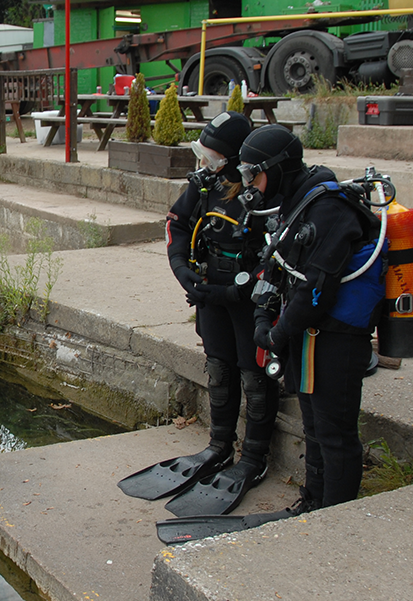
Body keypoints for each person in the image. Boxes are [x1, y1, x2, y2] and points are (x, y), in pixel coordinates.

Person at [117, 112, 280, 518]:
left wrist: (244, 288)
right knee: (219, 369)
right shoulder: (203, 185)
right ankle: (219, 445)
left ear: (232, 159)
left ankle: (254, 457)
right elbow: (176, 224)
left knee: (253, 376)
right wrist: (183, 271)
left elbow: (279, 248)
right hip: (210, 290)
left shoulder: (259, 191)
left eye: (210, 157)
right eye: (201, 155)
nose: (203, 164)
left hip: (247, 297)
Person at [242, 124, 386, 512]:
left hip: (338, 335)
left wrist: (276, 335)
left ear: (278, 168)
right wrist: (262, 315)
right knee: (314, 427)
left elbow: (317, 288)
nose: (250, 183)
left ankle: (335, 519)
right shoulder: (297, 202)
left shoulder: (331, 209)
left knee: (335, 431)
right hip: (309, 333)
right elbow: (275, 264)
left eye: (253, 172)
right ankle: (314, 502)